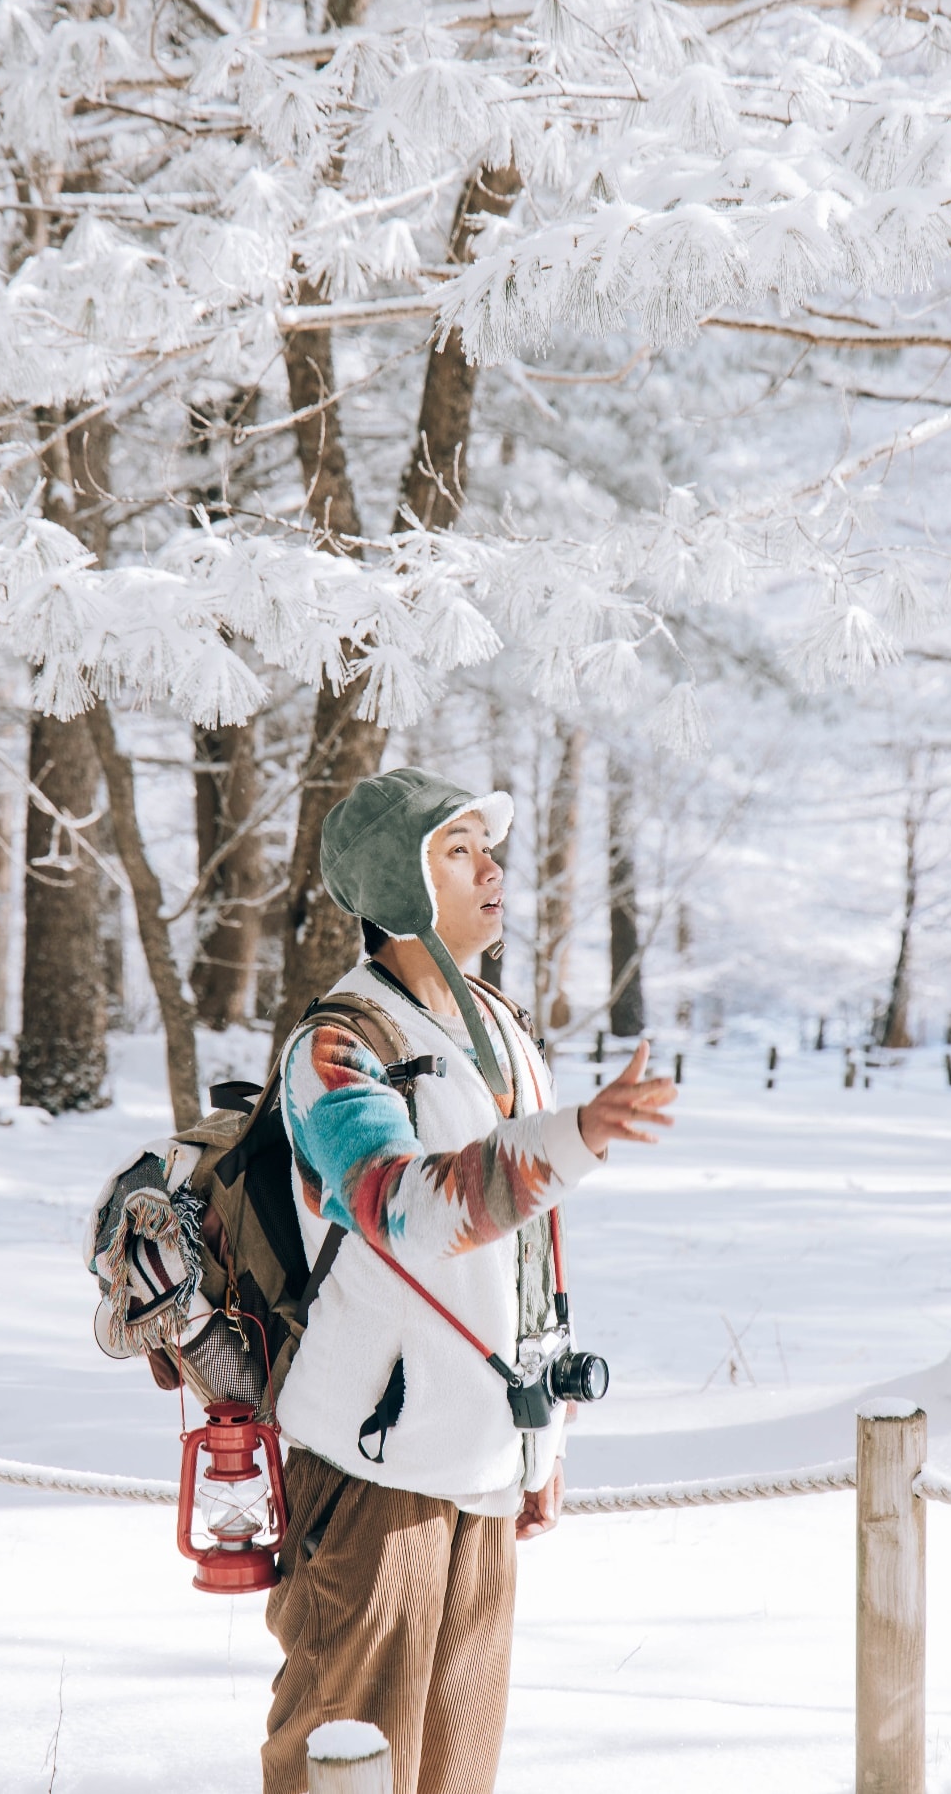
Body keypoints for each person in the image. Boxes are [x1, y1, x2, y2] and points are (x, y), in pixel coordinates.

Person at [263, 766, 676, 1794]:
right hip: (372, 1475)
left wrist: (540, 1446)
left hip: (485, 1460)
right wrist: (567, 1139)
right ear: (396, 887)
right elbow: (405, 1212)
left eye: (488, 848)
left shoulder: (496, 1024)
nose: (494, 870)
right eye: (459, 851)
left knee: (456, 1773)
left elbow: (531, 1259)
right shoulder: (337, 1046)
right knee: (348, 1761)